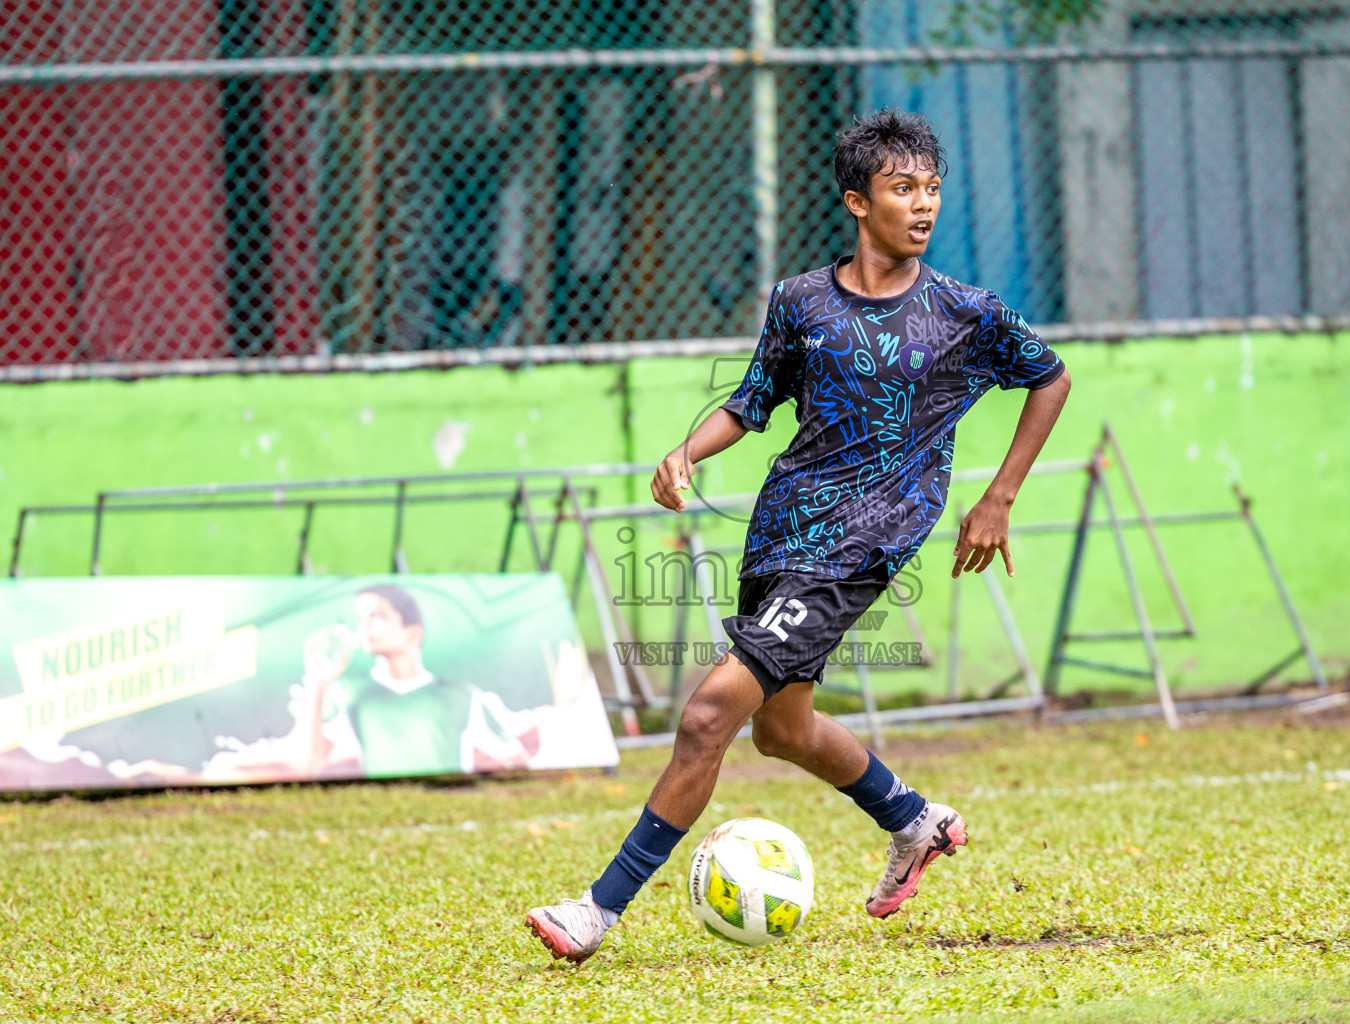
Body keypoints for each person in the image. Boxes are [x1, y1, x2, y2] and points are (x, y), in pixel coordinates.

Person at [526, 109, 1071, 963]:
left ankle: (596, 910)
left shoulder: (967, 311)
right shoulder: (800, 301)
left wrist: (998, 496)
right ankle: (916, 820)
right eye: (902, 189)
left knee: (708, 713)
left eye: (932, 189)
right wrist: (685, 449)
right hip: (783, 530)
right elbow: (751, 401)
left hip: (866, 542)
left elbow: (1051, 378)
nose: (922, 204)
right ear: (858, 201)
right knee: (780, 729)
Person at [292, 584, 540, 778]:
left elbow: (516, 760)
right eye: (360, 618)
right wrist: (316, 683)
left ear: (413, 633)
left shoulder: (461, 696)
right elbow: (309, 766)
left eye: (377, 617)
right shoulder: (349, 690)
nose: (364, 627)